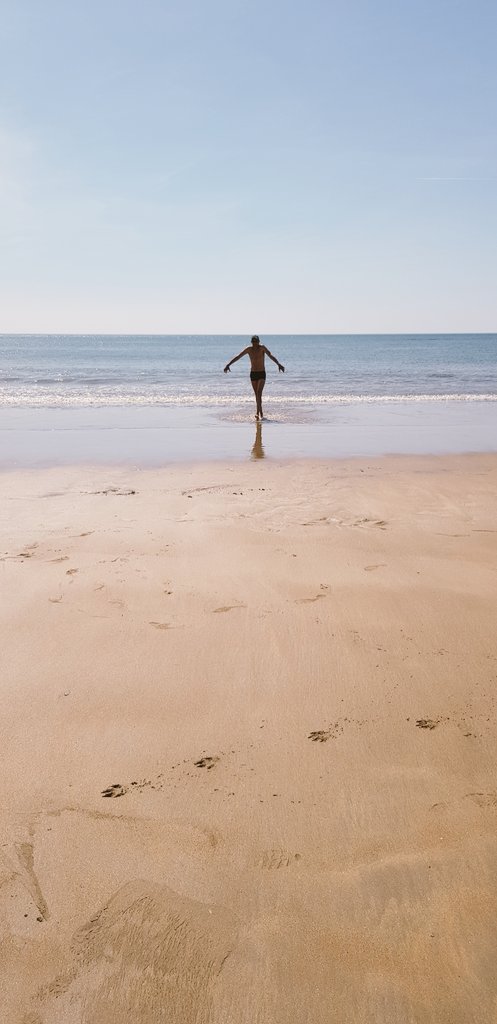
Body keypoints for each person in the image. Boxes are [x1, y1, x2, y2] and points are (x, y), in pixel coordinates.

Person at [224, 336, 285, 419]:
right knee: (256, 394)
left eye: (256, 341)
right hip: (253, 373)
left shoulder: (262, 348)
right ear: (251, 342)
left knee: (259, 393)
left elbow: (270, 355)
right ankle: (258, 412)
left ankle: (261, 413)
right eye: (253, 342)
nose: (255, 343)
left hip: (261, 373)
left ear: (259, 341)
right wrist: (228, 364)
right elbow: (238, 356)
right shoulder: (249, 349)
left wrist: (278, 364)